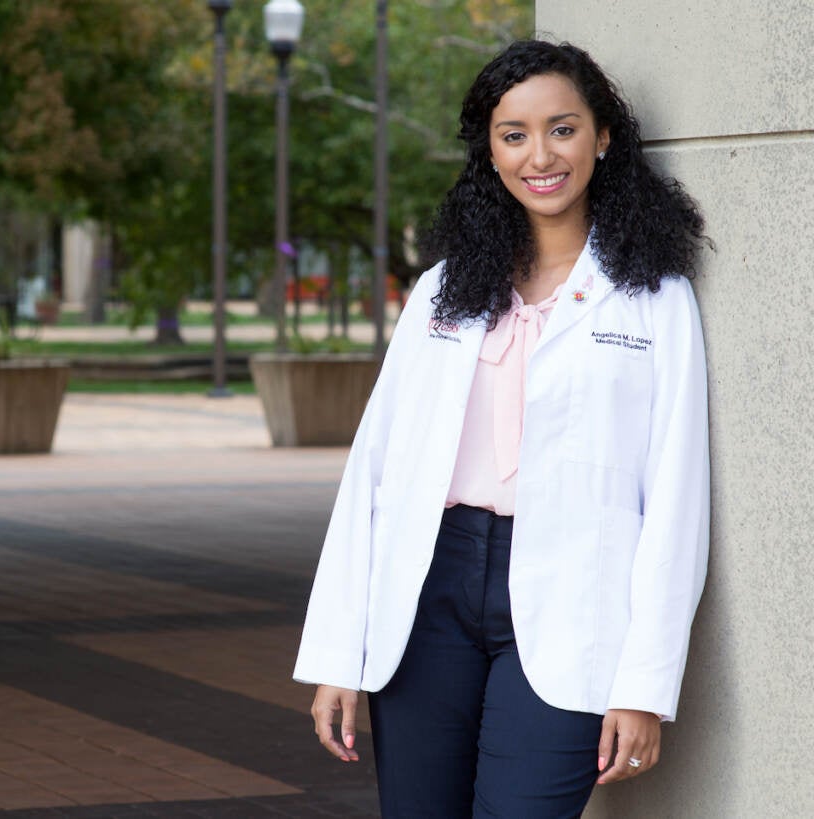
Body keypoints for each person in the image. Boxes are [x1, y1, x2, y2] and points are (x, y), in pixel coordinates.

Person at [293, 39, 710, 818]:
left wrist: (645, 685)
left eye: (563, 128)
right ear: (490, 150)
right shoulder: (442, 291)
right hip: (430, 589)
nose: (539, 155)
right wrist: (336, 655)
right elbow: (374, 473)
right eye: (513, 134)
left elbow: (678, 499)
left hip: (572, 596)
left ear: (603, 136)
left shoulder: (652, 298)